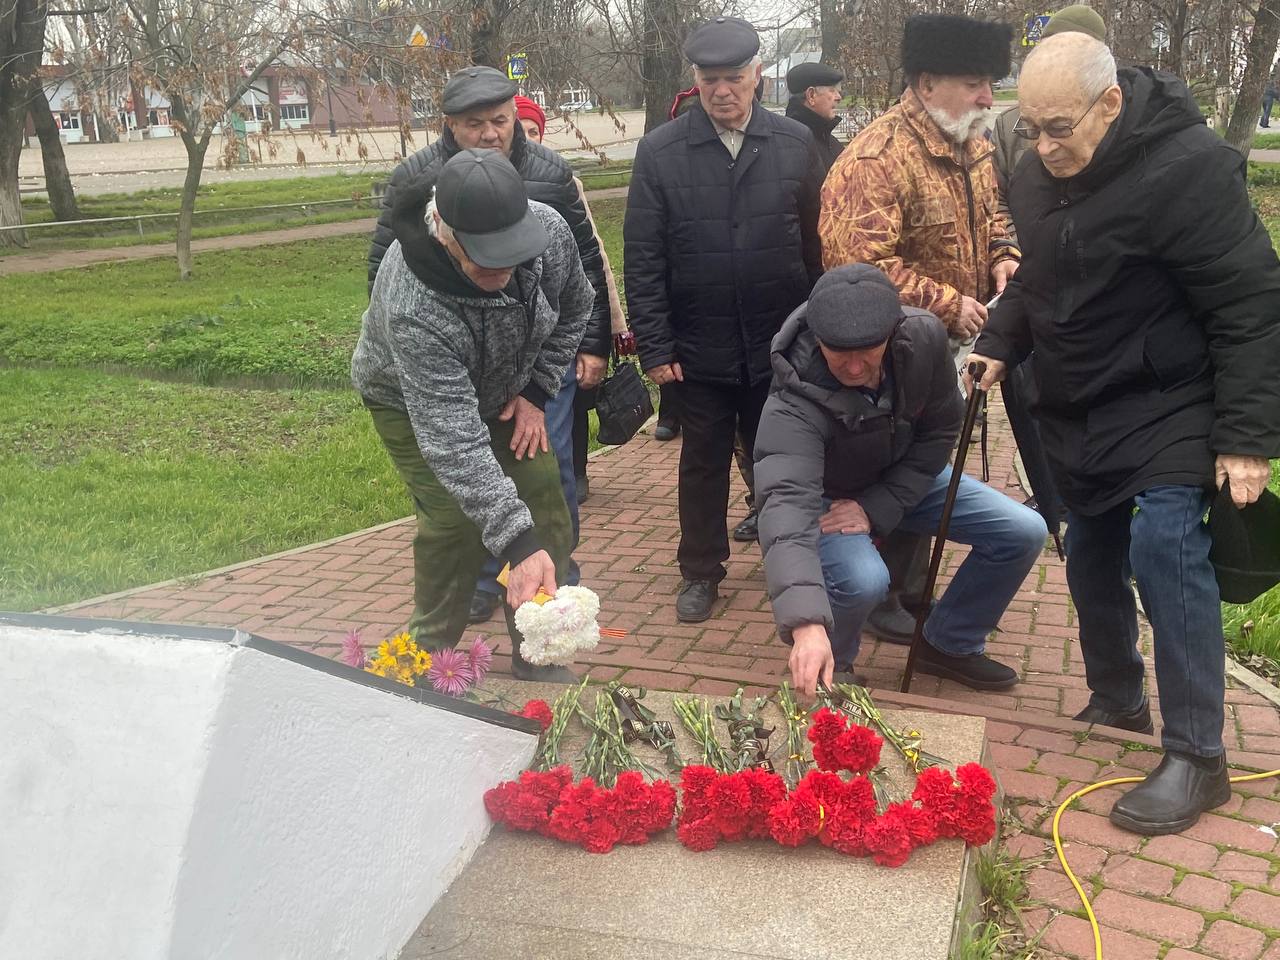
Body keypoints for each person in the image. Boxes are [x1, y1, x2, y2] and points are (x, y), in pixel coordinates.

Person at [968, 33, 1280, 835]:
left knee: (1165, 546)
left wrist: (1247, 434)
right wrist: (1001, 340)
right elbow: (1039, 273)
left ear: (1110, 103)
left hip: (1171, 396)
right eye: (1029, 127)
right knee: (1090, 551)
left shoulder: (1188, 169)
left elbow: (1249, 302)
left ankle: (1198, 757)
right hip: (1081, 398)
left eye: (1058, 127)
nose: (1041, 146)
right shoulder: (1042, 170)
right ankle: (1118, 697)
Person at [364, 66, 609, 628]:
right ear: (446, 234)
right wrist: (514, 542)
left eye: (510, 250)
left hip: (506, 384)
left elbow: (576, 303)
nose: (502, 267)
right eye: (484, 256)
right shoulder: (413, 301)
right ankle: (434, 656)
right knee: (452, 520)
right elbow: (452, 438)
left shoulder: (547, 231)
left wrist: (535, 389)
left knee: (545, 496)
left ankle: (542, 642)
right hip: (409, 399)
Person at [818, 14, 1021, 647]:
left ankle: (908, 590)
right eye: (977, 84)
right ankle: (877, 590)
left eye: (991, 83)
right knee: (903, 462)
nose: (990, 98)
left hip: (960, 348)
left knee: (934, 456)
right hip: (892, 354)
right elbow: (856, 266)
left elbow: (995, 215)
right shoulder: (875, 159)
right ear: (928, 82)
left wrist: (1004, 256)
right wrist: (945, 301)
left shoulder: (974, 145)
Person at [756, 264, 1046, 695]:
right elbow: (785, 510)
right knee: (863, 579)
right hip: (827, 496)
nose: (855, 368)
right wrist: (806, 624)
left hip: (902, 476)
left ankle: (949, 643)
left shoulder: (924, 338)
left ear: (893, 332)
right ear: (818, 340)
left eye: (868, 351)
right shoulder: (792, 400)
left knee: (1023, 531)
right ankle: (830, 668)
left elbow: (941, 430)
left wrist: (879, 505)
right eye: (839, 353)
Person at [625, 16, 825, 622]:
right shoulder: (661, 152)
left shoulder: (794, 144)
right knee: (704, 464)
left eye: (735, 77)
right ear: (696, 80)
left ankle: (795, 562)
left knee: (786, 463)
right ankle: (701, 571)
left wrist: (821, 338)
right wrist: (656, 348)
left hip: (782, 345)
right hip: (700, 346)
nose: (723, 91)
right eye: (711, 80)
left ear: (758, 75)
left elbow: (821, 249)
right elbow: (644, 257)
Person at [509, 94, 631, 510]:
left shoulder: (560, 179)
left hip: (558, 336)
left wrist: (604, 334)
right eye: (518, 130)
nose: (526, 139)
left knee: (563, 428)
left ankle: (572, 484)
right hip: (504, 349)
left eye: (533, 131)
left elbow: (592, 256)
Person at [785, 61, 845, 169]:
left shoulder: (831, 143)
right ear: (811, 95)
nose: (839, 97)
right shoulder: (792, 145)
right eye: (832, 91)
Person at [1262, 60, 1279, 128]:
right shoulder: (1277, 69)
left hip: (1266, 90)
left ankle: (1263, 122)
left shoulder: (1275, 68)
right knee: (1267, 108)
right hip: (1272, 91)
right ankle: (1264, 123)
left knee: (1266, 108)